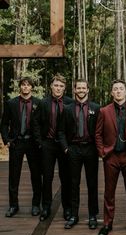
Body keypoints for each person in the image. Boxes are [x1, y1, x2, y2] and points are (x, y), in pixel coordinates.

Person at [96, 79, 126, 235]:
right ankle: (107, 224)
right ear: (112, 92)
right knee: (109, 192)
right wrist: (102, 151)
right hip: (111, 157)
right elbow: (97, 134)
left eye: (121, 89)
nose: (118, 91)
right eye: (115, 89)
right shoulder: (104, 111)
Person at [58, 79, 100, 230]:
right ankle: (73, 215)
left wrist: (99, 148)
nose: (81, 90)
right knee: (73, 183)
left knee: (92, 183)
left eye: (84, 88)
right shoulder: (67, 109)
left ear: (88, 90)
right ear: (74, 90)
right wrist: (66, 149)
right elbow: (61, 131)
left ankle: (93, 215)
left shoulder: (96, 108)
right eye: (79, 88)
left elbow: (100, 131)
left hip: (91, 149)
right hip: (73, 149)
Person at [33, 73, 73, 221]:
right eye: (56, 85)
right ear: (51, 86)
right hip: (48, 145)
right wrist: (40, 142)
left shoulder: (70, 102)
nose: (58, 88)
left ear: (65, 88)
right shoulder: (43, 103)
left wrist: (70, 143)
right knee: (47, 177)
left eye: (61, 86)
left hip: (64, 146)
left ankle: (67, 208)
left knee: (66, 178)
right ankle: (46, 208)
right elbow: (35, 123)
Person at [1, 77, 42, 217]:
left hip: (33, 143)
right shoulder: (11, 103)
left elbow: (43, 123)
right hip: (16, 142)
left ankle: (36, 205)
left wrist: (40, 141)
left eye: (28, 85)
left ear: (32, 87)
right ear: (20, 87)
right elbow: (4, 123)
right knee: (14, 175)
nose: (25, 87)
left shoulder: (38, 103)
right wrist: (7, 140)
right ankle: (13, 205)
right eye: (23, 85)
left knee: (36, 175)